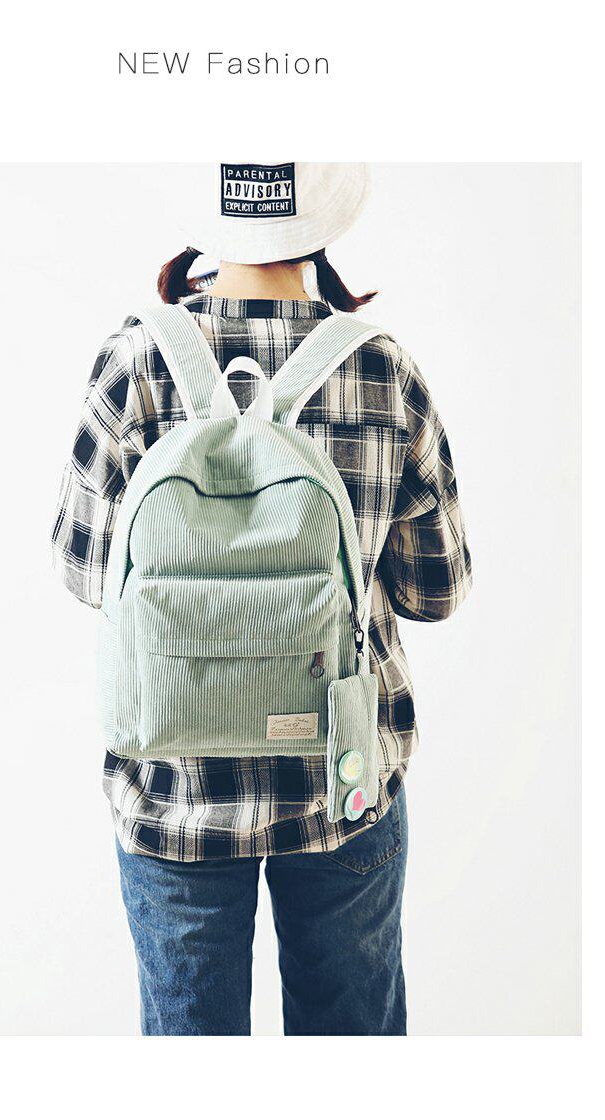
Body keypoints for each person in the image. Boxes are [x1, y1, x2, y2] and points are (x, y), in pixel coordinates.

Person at [51, 163, 472, 1035]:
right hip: (342, 784)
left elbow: (87, 574)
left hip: (175, 792)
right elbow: (435, 591)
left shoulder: (136, 362)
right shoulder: (381, 368)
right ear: (319, 222)